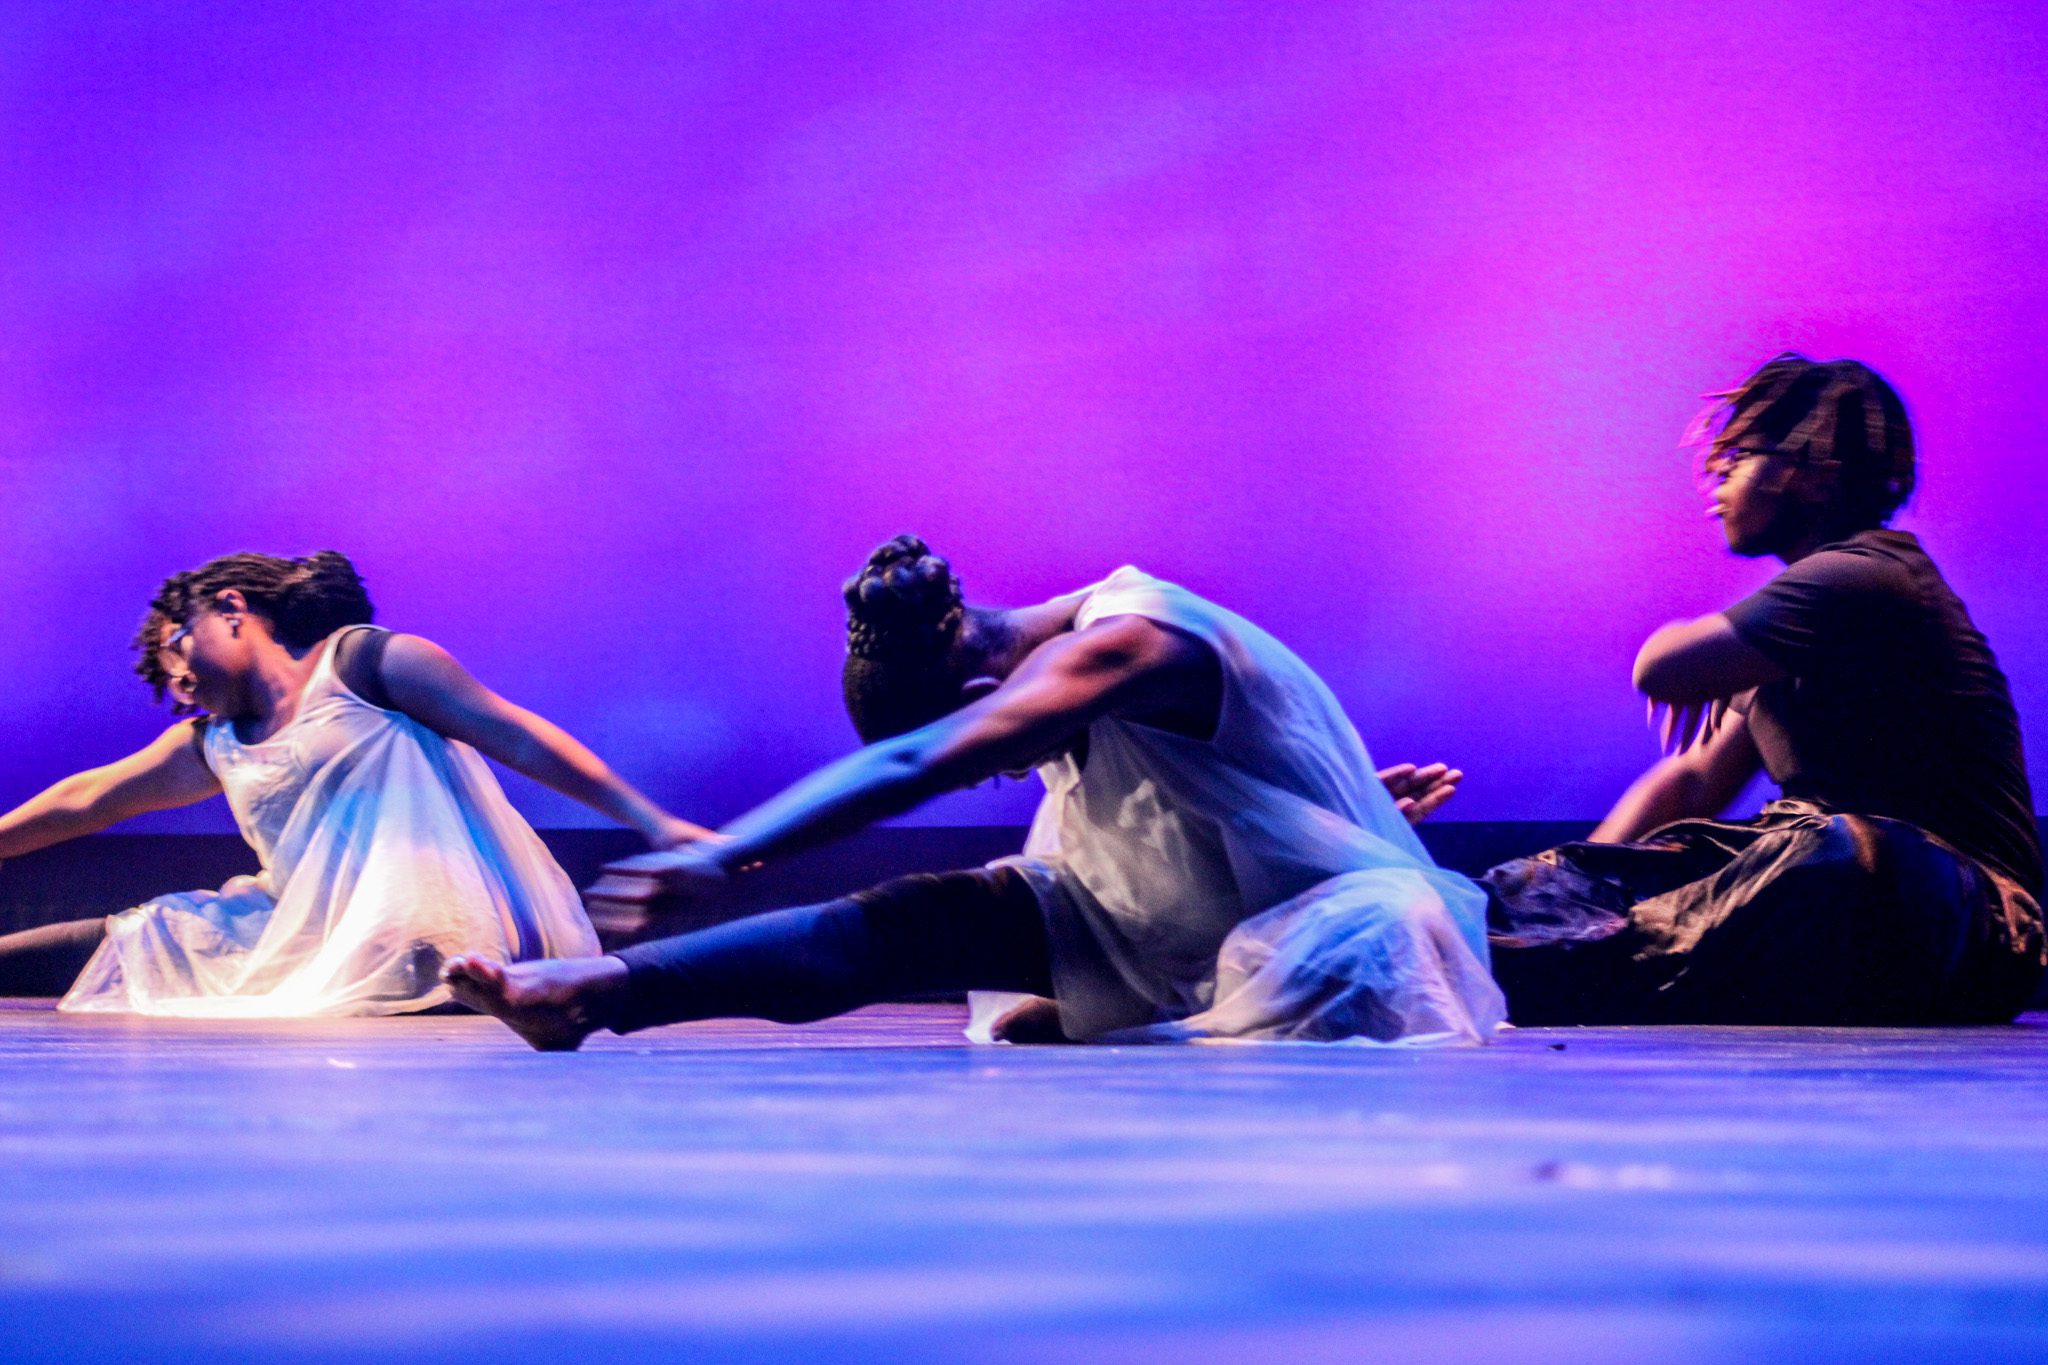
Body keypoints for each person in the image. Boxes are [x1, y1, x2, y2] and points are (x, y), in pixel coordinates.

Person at [445, 536, 1506, 1049]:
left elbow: (918, 762)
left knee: (1367, 943)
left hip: (1311, 925)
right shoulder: (1080, 664)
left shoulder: (1131, 638)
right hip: (1172, 913)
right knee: (921, 917)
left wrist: (719, 851)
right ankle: (601, 991)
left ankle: (1150, 1009)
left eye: (988, 736)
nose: (1003, 762)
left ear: (977, 691)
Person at [1485, 354, 2043, 1025]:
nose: (1717, 472)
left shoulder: (1867, 575)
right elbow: (1693, 783)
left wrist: (1711, 665)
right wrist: (1577, 884)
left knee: (1838, 851)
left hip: (1966, 923)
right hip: (1822, 895)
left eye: (1742, 453)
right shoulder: (1798, 629)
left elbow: (1659, 667)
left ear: (1812, 476)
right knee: (1535, 888)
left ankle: (1549, 969)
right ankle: (1552, 957)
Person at [0, 551, 710, 1016]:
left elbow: (515, 732)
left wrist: (651, 819)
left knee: (173, 944)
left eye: (177, 646)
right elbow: (83, 799)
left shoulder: (365, 665)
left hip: (442, 929)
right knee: (147, 934)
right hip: (311, 934)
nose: (178, 677)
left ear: (230, 608)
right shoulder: (217, 741)